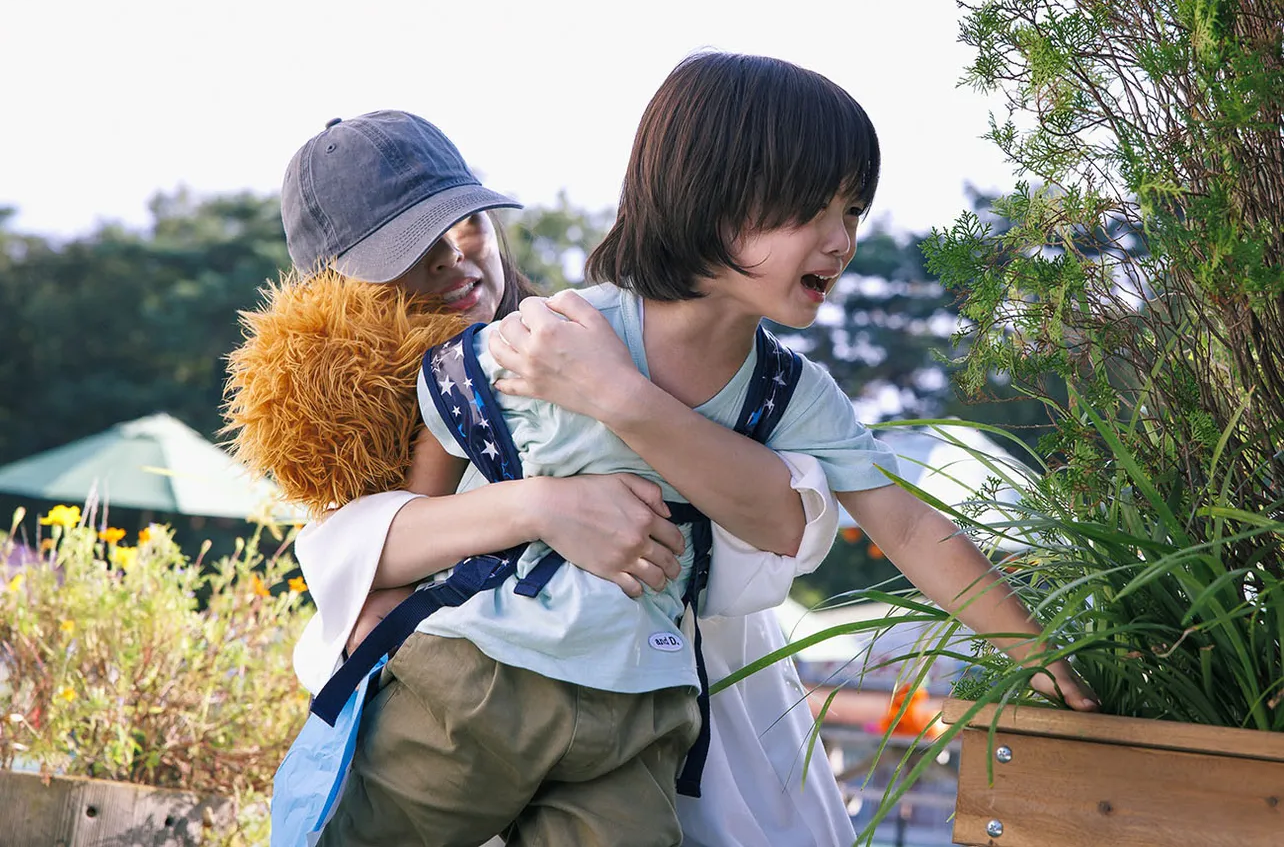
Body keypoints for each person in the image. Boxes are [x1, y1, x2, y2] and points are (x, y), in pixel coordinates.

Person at [331, 50, 1093, 845]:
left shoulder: (789, 394)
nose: (842, 242)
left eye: (854, 211)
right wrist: (385, 614)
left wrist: (1038, 653)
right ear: (711, 199)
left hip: (638, 719)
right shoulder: (554, 336)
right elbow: (413, 511)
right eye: (813, 210)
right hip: (485, 685)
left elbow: (907, 527)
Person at [225, 109, 855, 847]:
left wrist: (616, 412)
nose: (454, 258)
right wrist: (542, 505)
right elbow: (354, 550)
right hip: (472, 722)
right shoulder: (360, 424)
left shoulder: (583, 338)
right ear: (334, 291)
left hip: (671, 710)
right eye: (405, 248)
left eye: (464, 224)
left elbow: (790, 523)